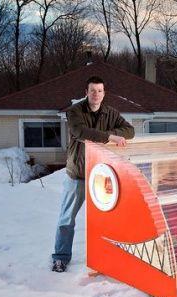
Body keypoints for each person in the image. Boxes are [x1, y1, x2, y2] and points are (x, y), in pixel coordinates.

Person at [52, 76, 135, 272]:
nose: (96, 94)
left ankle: (105, 258)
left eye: (99, 91)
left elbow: (130, 131)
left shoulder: (110, 113)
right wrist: (109, 137)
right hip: (79, 174)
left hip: (102, 176)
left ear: (104, 93)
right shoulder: (75, 111)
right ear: (86, 92)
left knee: (106, 219)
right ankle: (60, 257)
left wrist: (111, 133)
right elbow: (79, 132)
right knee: (67, 218)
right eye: (92, 91)